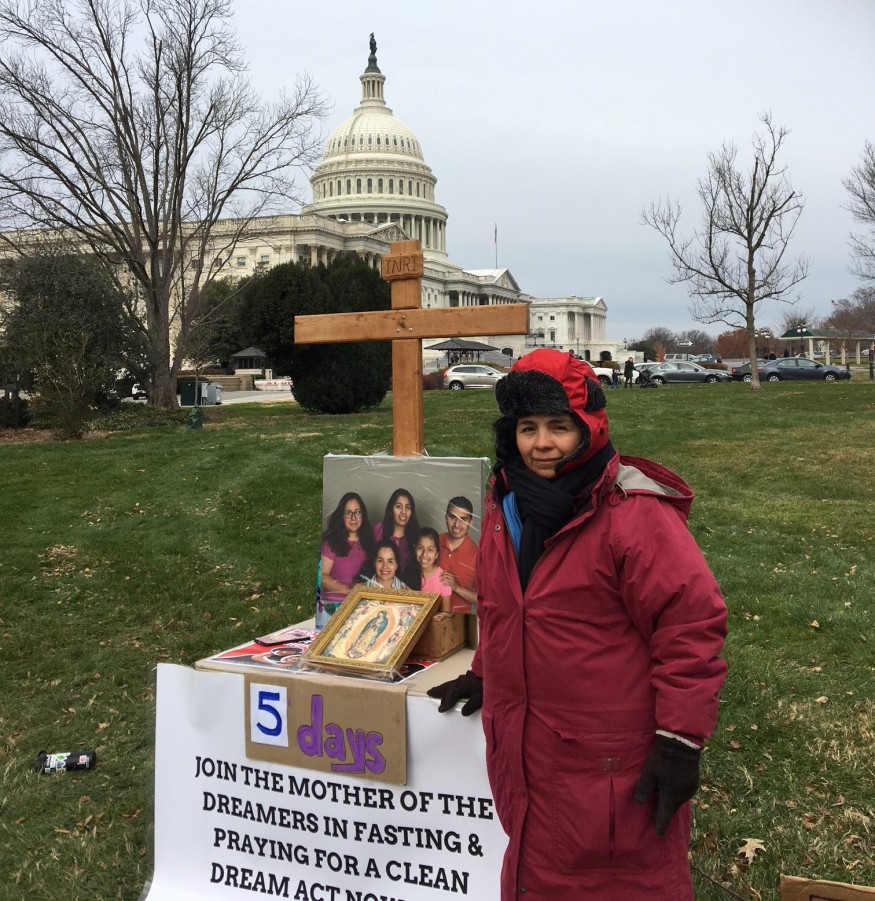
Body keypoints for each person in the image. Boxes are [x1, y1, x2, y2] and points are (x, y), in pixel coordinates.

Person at [428, 348, 728, 900]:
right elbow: (501, 605)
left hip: (610, 765)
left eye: (558, 427)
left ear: (589, 428)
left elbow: (689, 623)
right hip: (530, 751)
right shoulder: (505, 504)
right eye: (528, 428)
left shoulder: (630, 512)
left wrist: (680, 738)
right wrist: (487, 671)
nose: (541, 443)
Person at [320, 492, 374, 614]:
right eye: (348, 513)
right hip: (334, 606)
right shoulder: (330, 542)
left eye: (357, 512)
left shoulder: (369, 541)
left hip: (362, 606)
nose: (353, 518)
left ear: (363, 515)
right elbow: (323, 577)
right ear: (341, 516)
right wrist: (348, 590)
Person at [438, 496, 478, 613]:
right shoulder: (433, 543)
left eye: (463, 519)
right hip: (429, 615)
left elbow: (482, 599)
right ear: (446, 518)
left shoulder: (477, 555)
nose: (457, 524)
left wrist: (456, 588)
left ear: (471, 522)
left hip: (460, 620)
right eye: (452, 517)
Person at [403, 527, 452, 609]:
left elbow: (445, 613)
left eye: (430, 550)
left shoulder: (443, 579)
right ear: (415, 549)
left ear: (436, 554)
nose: (424, 554)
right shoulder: (408, 573)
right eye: (420, 548)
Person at [373, 488, 420, 571]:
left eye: (408, 507)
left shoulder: (418, 536)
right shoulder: (378, 530)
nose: (404, 512)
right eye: (398, 506)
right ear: (391, 510)